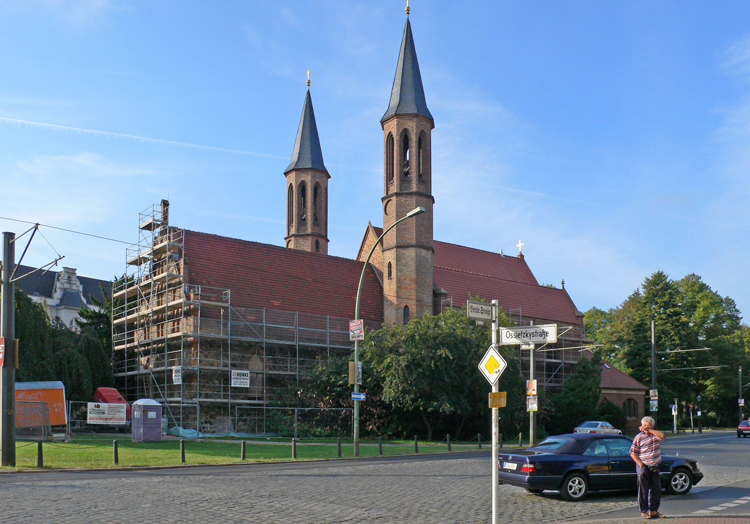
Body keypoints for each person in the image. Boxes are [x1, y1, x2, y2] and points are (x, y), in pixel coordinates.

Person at [630, 416, 666, 519]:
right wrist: (641, 465)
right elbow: (633, 453)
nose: (646, 427)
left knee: (656, 489)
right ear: (641, 426)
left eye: (649, 425)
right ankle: (644, 511)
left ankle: (654, 511)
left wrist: (650, 430)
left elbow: (662, 436)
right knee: (643, 489)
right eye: (645, 425)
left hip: (655, 465)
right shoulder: (639, 437)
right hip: (644, 464)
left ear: (652, 426)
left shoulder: (655, 436)